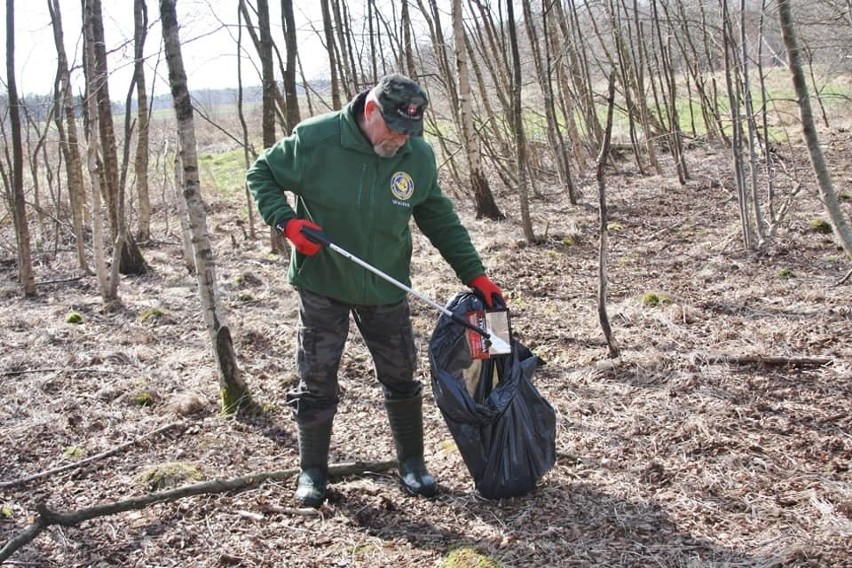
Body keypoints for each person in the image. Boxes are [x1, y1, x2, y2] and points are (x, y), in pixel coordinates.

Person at [246, 73, 505, 508]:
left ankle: (412, 464)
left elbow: (438, 217)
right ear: (370, 112)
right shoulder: (316, 139)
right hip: (322, 280)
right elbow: (262, 173)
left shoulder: (417, 157)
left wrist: (474, 275)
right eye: (395, 128)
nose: (402, 138)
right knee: (317, 376)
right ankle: (312, 471)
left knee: (401, 374)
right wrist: (286, 222)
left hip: (385, 283)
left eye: (411, 130)